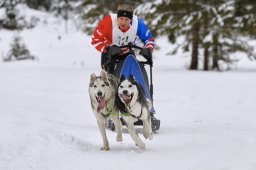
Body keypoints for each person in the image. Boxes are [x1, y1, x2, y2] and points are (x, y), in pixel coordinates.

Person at [91, 3, 155, 85]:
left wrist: (148, 49)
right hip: (110, 52)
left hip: (127, 51)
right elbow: (95, 40)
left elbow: (149, 39)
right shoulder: (108, 21)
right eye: (121, 18)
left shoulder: (138, 24)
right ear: (117, 18)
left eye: (126, 19)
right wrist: (106, 49)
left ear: (131, 20)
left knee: (132, 76)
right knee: (109, 80)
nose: (123, 22)